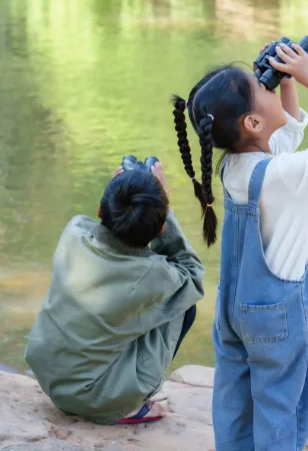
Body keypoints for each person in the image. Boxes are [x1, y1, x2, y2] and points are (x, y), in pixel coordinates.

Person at [171, 43, 308, 450]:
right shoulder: (283, 177)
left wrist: (287, 84)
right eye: (264, 88)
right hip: (277, 317)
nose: (271, 88)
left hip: (235, 308)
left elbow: (283, 136)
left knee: (235, 401)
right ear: (253, 121)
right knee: (281, 407)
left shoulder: (234, 167)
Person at [24, 162, 204, 425]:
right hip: (91, 399)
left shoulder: (73, 232)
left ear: (100, 209)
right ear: (162, 228)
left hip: (47, 376)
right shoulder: (154, 275)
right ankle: (128, 406)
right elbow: (194, 276)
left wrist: (116, 192)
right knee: (185, 302)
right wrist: (165, 207)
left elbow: (100, 229)